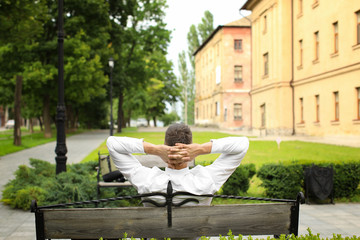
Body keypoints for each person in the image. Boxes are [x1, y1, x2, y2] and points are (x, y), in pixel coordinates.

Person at [106, 123, 249, 206]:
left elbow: (112, 143)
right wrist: (201, 149)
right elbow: (242, 144)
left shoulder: (146, 181)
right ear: (191, 147)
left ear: (164, 146)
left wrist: (154, 150)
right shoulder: (206, 180)